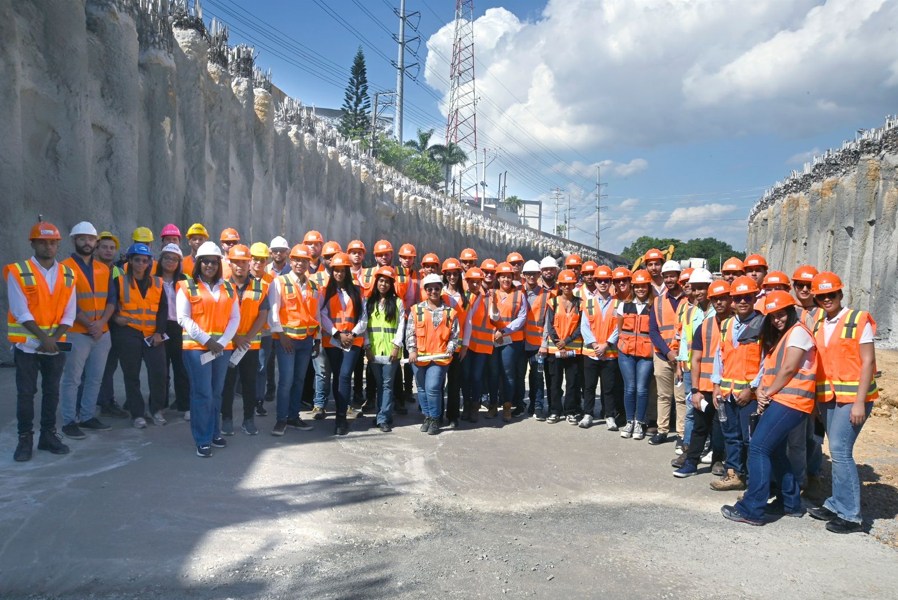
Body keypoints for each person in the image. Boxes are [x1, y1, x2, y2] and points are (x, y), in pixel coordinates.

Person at [722, 291, 818, 526]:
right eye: (773, 316)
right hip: (784, 401)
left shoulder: (797, 333)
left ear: (791, 313)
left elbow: (787, 370)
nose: (777, 320)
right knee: (773, 450)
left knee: (758, 448)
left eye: (781, 315)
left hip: (792, 402)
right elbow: (774, 371)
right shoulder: (785, 336)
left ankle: (752, 508)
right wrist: (765, 392)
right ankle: (790, 503)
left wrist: (767, 393)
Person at [808, 272, 878, 534]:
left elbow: (868, 361)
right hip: (828, 397)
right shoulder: (818, 324)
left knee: (840, 450)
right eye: (821, 296)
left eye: (831, 294)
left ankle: (850, 515)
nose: (827, 299)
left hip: (853, 399)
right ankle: (836, 502)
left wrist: (860, 402)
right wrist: (816, 401)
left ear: (840, 294)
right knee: (837, 452)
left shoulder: (859, 320)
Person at [7, 222, 77, 461]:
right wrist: (44, 338)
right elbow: (20, 311)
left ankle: (48, 436)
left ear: (58, 245)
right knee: (26, 394)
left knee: (52, 392)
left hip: (55, 346)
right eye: (43, 242)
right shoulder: (19, 271)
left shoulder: (68, 274)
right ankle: (24, 439)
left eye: (53, 242)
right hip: (27, 347)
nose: (48, 246)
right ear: (33, 243)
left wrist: (53, 340)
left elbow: (70, 312)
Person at [177, 241, 240, 457]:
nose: (210, 266)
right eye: (205, 262)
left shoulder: (229, 288)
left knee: (216, 393)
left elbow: (235, 318)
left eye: (214, 262)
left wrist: (221, 343)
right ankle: (202, 439)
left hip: (221, 348)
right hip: (196, 348)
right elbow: (183, 318)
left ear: (219, 264)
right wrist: (208, 341)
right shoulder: (186, 286)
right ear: (198, 263)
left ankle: (214, 432)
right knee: (202, 394)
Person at [59, 222, 114, 440]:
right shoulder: (64, 267)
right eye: (82, 238)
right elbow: (66, 301)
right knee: (72, 379)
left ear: (95, 242)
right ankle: (69, 421)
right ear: (73, 241)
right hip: (76, 332)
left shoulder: (103, 268)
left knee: (95, 378)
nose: (87, 242)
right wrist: (90, 324)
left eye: (90, 239)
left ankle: (87, 416)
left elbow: (111, 299)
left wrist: (101, 324)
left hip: (102, 332)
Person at [710, 275, 764, 492]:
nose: (743, 302)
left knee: (750, 440)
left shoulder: (762, 323)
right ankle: (733, 474)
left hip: (748, 395)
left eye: (748, 297)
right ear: (733, 300)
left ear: (755, 298)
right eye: (739, 298)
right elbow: (719, 357)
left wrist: (751, 388)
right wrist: (716, 386)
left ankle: (753, 480)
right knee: (730, 434)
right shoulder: (727, 324)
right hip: (727, 392)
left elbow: (766, 361)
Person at [674, 280, 732, 477]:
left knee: (720, 427)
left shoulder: (736, 325)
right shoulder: (705, 326)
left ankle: (718, 460)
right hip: (705, 387)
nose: (719, 303)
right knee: (700, 426)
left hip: (727, 387)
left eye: (723, 299)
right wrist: (695, 390)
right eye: (716, 300)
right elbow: (696, 359)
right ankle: (691, 462)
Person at [112, 243, 168, 429]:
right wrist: (115, 318)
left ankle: (156, 409)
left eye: (145, 260)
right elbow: (111, 305)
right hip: (129, 333)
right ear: (129, 260)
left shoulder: (158, 283)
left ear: (150, 262)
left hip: (153, 335)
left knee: (159, 373)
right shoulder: (119, 282)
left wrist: (159, 332)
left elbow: (163, 310)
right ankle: (137, 414)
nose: (141, 264)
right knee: (131, 375)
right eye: (137, 260)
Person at [267, 244, 321, 436]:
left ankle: (293, 416)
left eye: (304, 260)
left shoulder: (314, 286)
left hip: (306, 341)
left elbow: (315, 315)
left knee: (299, 380)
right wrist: (281, 336)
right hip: (287, 341)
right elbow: (273, 313)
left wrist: (317, 339)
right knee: (286, 381)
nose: (300, 263)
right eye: (297, 260)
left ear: (309, 262)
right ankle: (281, 419)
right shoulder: (279, 282)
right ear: (291, 261)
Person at [220, 244, 270, 436]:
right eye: (236, 262)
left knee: (250, 383)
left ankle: (248, 419)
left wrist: (246, 339)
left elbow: (262, 315)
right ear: (230, 264)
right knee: (227, 383)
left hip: (250, 345)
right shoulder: (222, 286)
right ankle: (226, 419)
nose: (240, 266)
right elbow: (220, 315)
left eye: (244, 262)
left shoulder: (259, 287)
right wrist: (236, 337)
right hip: (228, 344)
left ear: (249, 264)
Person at [320, 252, 367, 435]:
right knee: (338, 376)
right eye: (335, 271)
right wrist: (337, 334)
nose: (339, 274)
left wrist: (352, 334)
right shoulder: (326, 291)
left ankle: (342, 418)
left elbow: (364, 317)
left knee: (345, 375)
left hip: (353, 340)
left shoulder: (358, 291)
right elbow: (322, 315)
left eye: (342, 270)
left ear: (348, 271)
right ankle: (340, 417)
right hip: (333, 340)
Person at [408, 273, 460, 435]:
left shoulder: (451, 312)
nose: (433, 291)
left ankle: (436, 418)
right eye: (429, 289)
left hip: (439, 358)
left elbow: (454, 336)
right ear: (425, 290)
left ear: (441, 289)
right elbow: (410, 333)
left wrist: (449, 350)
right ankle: (427, 416)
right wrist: (412, 350)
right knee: (422, 389)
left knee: (432, 388)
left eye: (436, 288)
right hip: (420, 357)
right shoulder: (416, 310)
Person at [791, 264, 825, 500]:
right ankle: (798, 477)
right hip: (795, 385)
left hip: (818, 385)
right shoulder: (789, 310)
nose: (804, 289)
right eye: (799, 285)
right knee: (795, 437)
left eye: (808, 285)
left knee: (814, 434)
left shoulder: (824, 313)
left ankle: (813, 474)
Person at [674, 268, 715, 455]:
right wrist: (680, 365)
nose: (698, 292)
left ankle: (713, 448)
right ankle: (689, 446)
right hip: (693, 368)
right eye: (695, 288)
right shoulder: (690, 312)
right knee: (692, 408)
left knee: (714, 412)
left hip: (714, 370)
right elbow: (684, 339)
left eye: (702, 288)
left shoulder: (719, 312)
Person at [648, 260, 686, 446]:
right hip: (663, 355)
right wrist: (667, 352)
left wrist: (677, 354)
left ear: (679, 277)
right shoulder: (658, 302)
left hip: (683, 357)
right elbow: (653, 331)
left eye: (673, 275)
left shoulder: (689, 300)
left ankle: (681, 434)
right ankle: (662, 430)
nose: (670, 279)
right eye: (667, 276)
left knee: (681, 398)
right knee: (663, 396)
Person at [364, 266, 406, 432]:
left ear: (391, 284)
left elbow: (401, 325)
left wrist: (397, 346)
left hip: (390, 351)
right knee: (380, 384)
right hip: (374, 350)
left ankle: (382, 417)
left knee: (388, 384)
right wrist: (367, 346)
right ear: (376, 282)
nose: (383, 284)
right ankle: (384, 415)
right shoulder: (369, 302)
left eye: (387, 282)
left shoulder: (397, 302)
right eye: (381, 281)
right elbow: (365, 327)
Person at [93, 231, 130, 419]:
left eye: (112, 248)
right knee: (89, 369)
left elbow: (120, 298)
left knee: (109, 367)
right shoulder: (89, 269)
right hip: (91, 325)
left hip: (113, 327)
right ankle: (87, 405)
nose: (108, 251)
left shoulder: (118, 270)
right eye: (104, 247)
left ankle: (106, 401)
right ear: (96, 248)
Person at [581, 265, 621, 430]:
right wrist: (596, 346)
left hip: (610, 353)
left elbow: (619, 327)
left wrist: (606, 345)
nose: (603, 283)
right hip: (591, 353)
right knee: (589, 386)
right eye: (599, 280)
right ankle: (588, 414)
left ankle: (610, 416)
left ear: (611, 282)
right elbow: (584, 326)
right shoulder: (588, 303)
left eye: (606, 280)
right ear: (595, 282)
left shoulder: (619, 304)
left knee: (609, 387)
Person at [541, 269, 583, 424]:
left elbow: (580, 326)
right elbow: (550, 325)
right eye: (564, 284)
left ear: (574, 285)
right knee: (555, 382)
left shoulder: (580, 303)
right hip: (555, 350)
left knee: (572, 383)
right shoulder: (552, 302)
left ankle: (570, 411)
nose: (567, 286)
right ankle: (555, 411)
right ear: (560, 285)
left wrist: (567, 342)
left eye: (570, 284)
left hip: (573, 349)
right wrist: (560, 344)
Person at [617, 270, 655, 440]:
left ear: (648, 286)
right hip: (626, 353)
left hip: (646, 354)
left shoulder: (654, 306)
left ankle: (639, 422)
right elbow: (620, 329)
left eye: (643, 286)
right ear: (633, 287)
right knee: (629, 388)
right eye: (637, 286)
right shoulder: (624, 305)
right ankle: (629, 421)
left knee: (642, 389)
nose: (640, 289)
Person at [489, 262, 528, 422]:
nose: (506, 279)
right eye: (503, 276)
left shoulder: (519, 295)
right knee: (493, 374)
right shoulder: (491, 294)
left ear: (513, 278)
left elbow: (522, 317)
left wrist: (504, 331)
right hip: (492, 340)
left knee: (508, 374)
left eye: (509, 276)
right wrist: (494, 332)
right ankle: (492, 405)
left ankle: (507, 407)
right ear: (498, 278)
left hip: (510, 341)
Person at [156, 243, 191, 418]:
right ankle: (160, 406)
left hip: (180, 327)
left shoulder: (185, 280)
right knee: (161, 370)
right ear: (161, 259)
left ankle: (184, 406)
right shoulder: (152, 279)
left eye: (175, 259)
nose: (170, 261)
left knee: (181, 368)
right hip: (159, 328)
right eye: (167, 257)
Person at [460, 267, 494, 422]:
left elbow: (495, 317)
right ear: (466, 282)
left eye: (477, 282)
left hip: (482, 344)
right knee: (465, 376)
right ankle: (467, 405)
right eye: (471, 282)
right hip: (466, 345)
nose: (474, 285)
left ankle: (475, 406)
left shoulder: (488, 298)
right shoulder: (462, 298)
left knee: (477, 376)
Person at [522, 259, 554, 419]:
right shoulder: (518, 292)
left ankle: (538, 406)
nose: (531, 277)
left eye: (534, 274)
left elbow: (548, 322)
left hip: (537, 345)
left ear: (538, 274)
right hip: (520, 343)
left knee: (537, 376)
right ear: (524, 275)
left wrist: (544, 343)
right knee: (520, 376)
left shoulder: (546, 295)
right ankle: (522, 404)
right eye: (528, 274)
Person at [440, 258, 469, 427]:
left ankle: (452, 416)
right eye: (449, 274)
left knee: (454, 383)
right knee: (438, 383)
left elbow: (469, 323)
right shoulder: (438, 292)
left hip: (457, 348)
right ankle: (436, 414)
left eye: (455, 274)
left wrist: (464, 346)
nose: (452, 277)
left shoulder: (464, 297)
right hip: (438, 346)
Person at [249, 242, 274, 416]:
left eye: (262, 260)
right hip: (243, 331)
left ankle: (258, 401)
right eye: (255, 259)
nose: (258, 263)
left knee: (261, 367)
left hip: (264, 332)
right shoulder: (241, 278)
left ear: (266, 261)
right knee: (237, 367)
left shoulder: (272, 281)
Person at [394, 243, 419, 411]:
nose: (406, 260)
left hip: (413, 321)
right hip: (398, 320)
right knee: (396, 358)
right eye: (404, 257)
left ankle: (408, 389)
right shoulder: (394, 273)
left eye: (409, 257)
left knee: (410, 357)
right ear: (399, 258)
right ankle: (399, 393)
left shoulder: (418, 275)